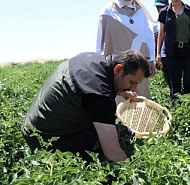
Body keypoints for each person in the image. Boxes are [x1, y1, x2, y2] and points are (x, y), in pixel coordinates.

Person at [21, 50, 150, 163]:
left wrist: (121, 90)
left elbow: (89, 87)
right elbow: (112, 151)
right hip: (46, 140)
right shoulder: (98, 95)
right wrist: (133, 176)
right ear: (118, 69)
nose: (133, 89)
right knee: (123, 133)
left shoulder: (94, 60)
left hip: (32, 128)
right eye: (132, 82)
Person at [96, 0, 155, 102]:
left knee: (140, 100)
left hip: (138, 65)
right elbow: (100, 39)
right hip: (118, 67)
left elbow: (147, 35)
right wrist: (100, 62)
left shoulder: (140, 11)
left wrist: (150, 59)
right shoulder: (108, 11)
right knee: (119, 99)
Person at [156, 0, 190, 101]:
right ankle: (175, 111)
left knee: (188, 83)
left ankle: (189, 109)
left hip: (189, 51)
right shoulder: (165, 12)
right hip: (172, 52)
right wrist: (158, 53)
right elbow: (161, 34)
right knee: (175, 84)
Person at [153, 0, 171, 87]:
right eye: (157, 7)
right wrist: (157, 56)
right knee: (168, 79)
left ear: (168, 5)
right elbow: (156, 41)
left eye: (162, 6)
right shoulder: (155, 24)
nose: (159, 9)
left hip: (175, 54)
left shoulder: (173, 19)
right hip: (163, 55)